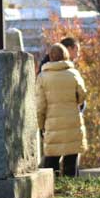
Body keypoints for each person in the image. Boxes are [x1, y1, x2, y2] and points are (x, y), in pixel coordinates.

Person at [36, 43, 87, 177]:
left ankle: (52, 186)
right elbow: (82, 95)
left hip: (52, 123)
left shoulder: (43, 77)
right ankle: (70, 187)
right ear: (66, 56)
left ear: (50, 57)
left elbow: (40, 105)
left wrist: (41, 125)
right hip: (72, 121)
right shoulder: (73, 73)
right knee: (71, 158)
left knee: (52, 159)